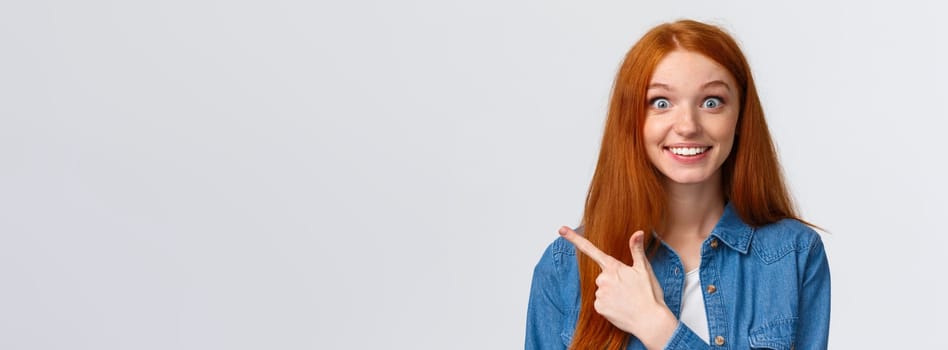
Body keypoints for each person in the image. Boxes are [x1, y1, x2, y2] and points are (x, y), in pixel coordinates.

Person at [525, 19, 830, 350]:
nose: (687, 126)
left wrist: (656, 327)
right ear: (632, 121)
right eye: (661, 103)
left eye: (711, 102)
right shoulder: (565, 267)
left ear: (740, 118)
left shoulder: (792, 254)